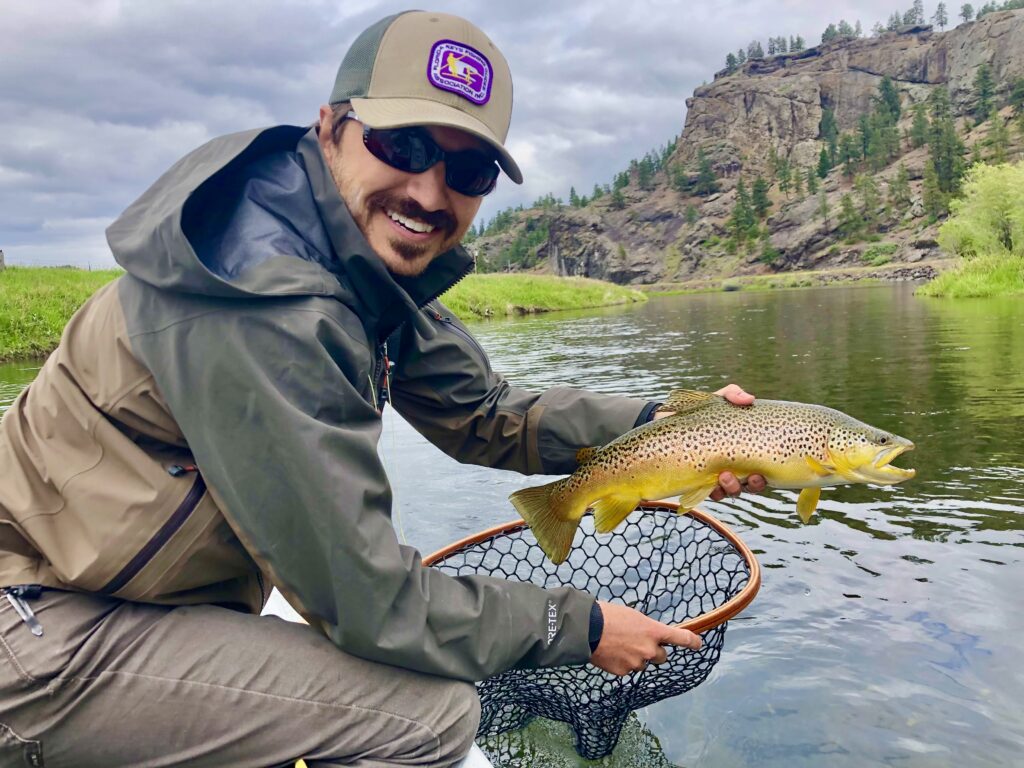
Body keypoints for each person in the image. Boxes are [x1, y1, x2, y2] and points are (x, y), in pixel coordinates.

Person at [0, 10, 764, 767]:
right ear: (329, 127)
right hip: (40, 633)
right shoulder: (266, 303)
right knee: (430, 716)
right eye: (402, 146)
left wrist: (664, 426)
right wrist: (586, 628)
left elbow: (483, 413)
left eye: (468, 173)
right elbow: (370, 603)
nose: (430, 194)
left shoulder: (349, 258)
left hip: (119, 597)